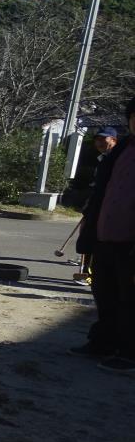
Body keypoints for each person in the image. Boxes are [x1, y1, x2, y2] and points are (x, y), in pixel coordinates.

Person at [70, 97, 135, 374]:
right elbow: (101, 194)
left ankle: (129, 353)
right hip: (106, 236)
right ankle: (103, 342)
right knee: (104, 293)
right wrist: (89, 234)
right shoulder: (121, 151)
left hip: (131, 242)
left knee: (129, 298)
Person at [75, 127, 119, 284]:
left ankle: (92, 274)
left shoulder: (117, 160)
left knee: (99, 239)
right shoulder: (103, 159)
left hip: (111, 206)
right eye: (97, 139)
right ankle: (87, 272)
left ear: (114, 140)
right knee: (88, 235)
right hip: (98, 203)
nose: (99, 142)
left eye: (104, 139)